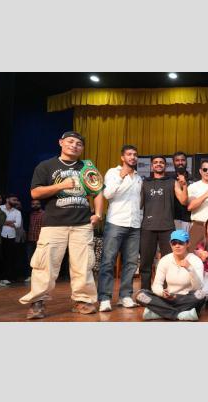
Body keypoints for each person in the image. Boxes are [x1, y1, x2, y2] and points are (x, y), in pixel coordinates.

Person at [20, 131, 103, 319]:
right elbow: (35, 193)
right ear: (61, 142)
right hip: (54, 224)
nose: (74, 145)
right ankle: (38, 302)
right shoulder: (46, 166)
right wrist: (60, 186)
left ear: (82, 148)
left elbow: (98, 191)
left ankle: (83, 300)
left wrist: (98, 214)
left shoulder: (86, 167)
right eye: (70, 141)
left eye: (79, 144)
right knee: (45, 265)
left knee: (83, 265)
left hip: (82, 224)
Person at [98, 145, 143, 312]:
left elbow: (139, 203)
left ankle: (125, 296)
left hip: (135, 225)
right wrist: (121, 176)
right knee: (108, 261)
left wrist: (140, 219)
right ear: (122, 157)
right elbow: (107, 195)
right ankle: (105, 298)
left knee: (131, 263)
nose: (133, 157)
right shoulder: (113, 172)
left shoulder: (138, 177)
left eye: (135, 155)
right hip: (116, 222)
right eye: (129, 154)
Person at [139, 154, 188, 291]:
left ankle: (167, 291)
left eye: (161, 162)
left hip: (167, 227)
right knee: (145, 263)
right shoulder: (145, 182)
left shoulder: (172, 182)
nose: (158, 164)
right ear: (151, 166)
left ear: (165, 166)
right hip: (148, 227)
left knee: (169, 262)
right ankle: (145, 292)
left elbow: (184, 201)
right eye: (155, 162)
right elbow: (138, 204)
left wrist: (184, 185)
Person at [135, 230, 206, 321]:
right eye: (174, 243)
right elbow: (157, 284)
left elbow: (198, 287)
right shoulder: (165, 260)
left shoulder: (195, 261)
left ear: (188, 244)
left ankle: (159, 312)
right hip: (168, 298)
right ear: (170, 244)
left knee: (201, 295)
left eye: (181, 243)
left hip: (186, 298)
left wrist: (190, 268)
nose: (177, 246)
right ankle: (179, 314)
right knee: (140, 295)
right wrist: (162, 293)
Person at [0, 193, 22, 286]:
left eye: (16, 200)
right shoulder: (0, 208)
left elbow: (18, 224)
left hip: (11, 237)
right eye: (14, 200)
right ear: (7, 199)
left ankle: (5, 278)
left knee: (8, 258)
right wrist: (10, 222)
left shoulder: (17, 212)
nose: (15, 202)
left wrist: (4, 222)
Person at [171, 151, 193, 233]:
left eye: (183, 160)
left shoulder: (194, 180)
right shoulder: (168, 180)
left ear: (186, 161)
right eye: (177, 160)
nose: (180, 162)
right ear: (173, 162)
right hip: (172, 220)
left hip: (189, 219)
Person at [25, 199, 44, 283]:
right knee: (30, 258)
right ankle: (31, 275)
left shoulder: (44, 214)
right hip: (30, 239)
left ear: (40, 204)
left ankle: (41, 276)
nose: (35, 205)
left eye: (37, 204)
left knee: (41, 259)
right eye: (33, 204)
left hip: (40, 240)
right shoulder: (29, 214)